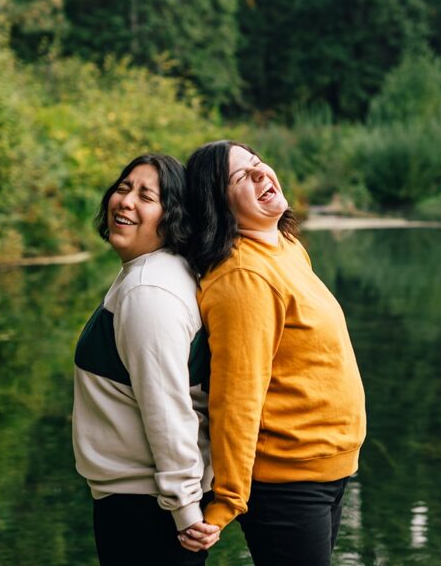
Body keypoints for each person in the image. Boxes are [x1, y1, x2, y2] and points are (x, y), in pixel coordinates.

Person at [179, 140, 367, 565]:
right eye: (242, 176)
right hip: (288, 481)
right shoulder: (243, 277)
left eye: (259, 163)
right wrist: (229, 497)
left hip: (327, 468)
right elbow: (236, 396)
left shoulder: (285, 246)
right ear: (218, 204)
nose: (262, 174)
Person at [72, 153, 220, 565]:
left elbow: (167, 408)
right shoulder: (153, 273)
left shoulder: (148, 292)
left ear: (171, 217)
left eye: (146, 196)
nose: (125, 201)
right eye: (123, 187)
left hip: (148, 511)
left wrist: (185, 510)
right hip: (145, 503)